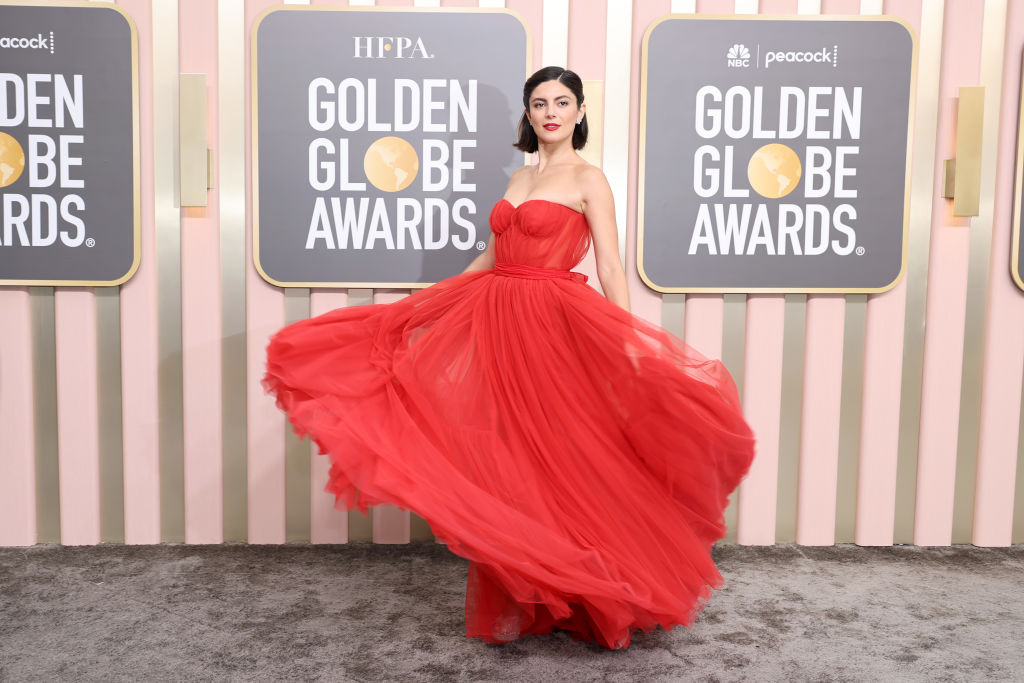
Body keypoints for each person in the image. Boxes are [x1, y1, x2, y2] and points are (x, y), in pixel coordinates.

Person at [263, 66, 755, 650]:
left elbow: (611, 266)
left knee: (562, 453)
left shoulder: (589, 178)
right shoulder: (520, 175)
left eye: (562, 102)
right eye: (539, 103)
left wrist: (627, 340)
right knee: (511, 457)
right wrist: (421, 306)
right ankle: (534, 590)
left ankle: (600, 591)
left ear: (578, 113)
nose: (550, 112)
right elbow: (490, 256)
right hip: (497, 320)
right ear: (528, 114)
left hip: (551, 325)